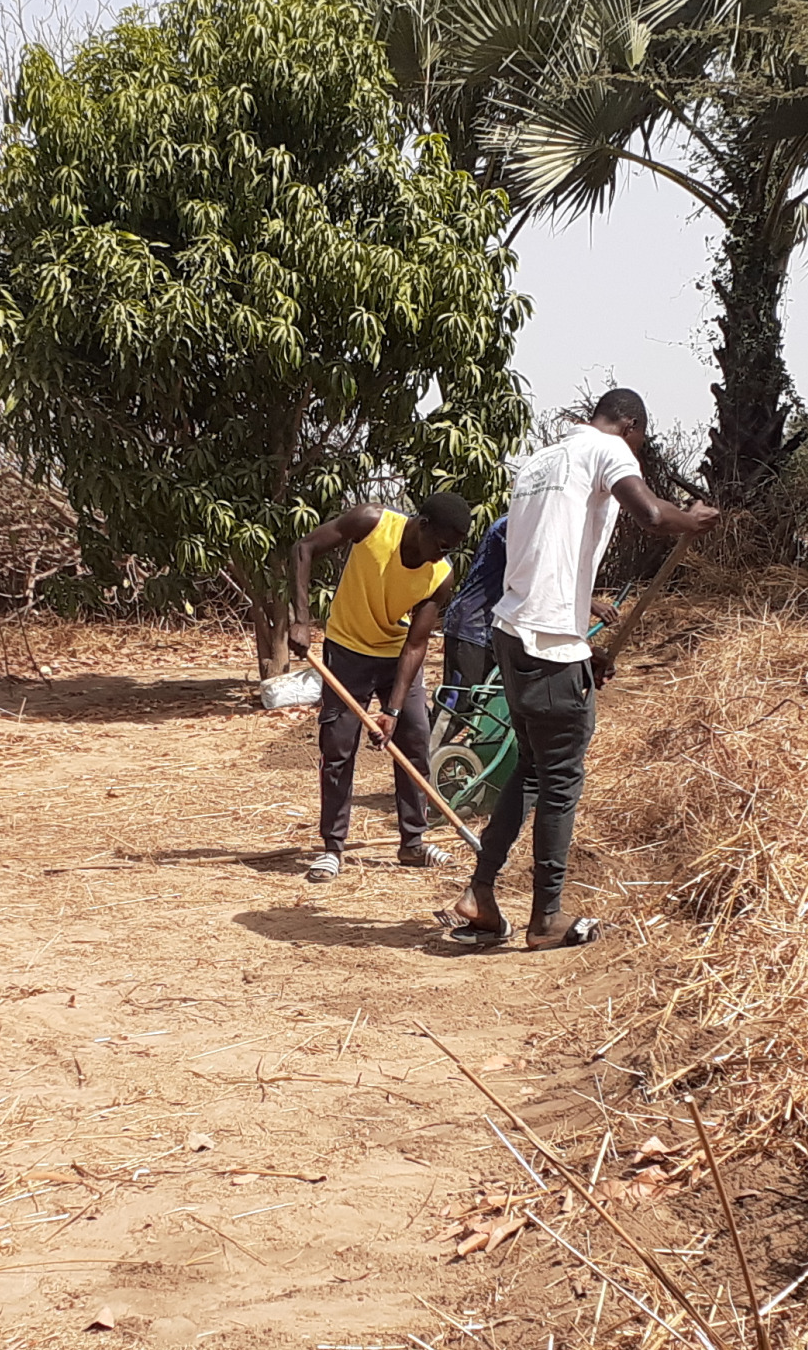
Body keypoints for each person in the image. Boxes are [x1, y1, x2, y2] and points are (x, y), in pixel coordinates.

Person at [443, 392, 718, 949]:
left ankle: (480, 893)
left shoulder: (541, 462)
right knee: (560, 782)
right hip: (545, 645)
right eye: (641, 440)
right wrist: (690, 519)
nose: (638, 450)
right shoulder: (607, 449)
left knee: (529, 771)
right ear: (631, 426)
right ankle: (546, 918)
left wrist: (580, 646)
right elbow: (649, 513)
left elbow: (548, 556)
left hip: (514, 632)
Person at [288, 490, 473, 884]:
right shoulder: (371, 523)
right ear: (422, 525)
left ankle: (413, 843)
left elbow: (416, 644)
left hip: (396, 657)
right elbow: (303, 549)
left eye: (451, 550)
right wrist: (300, 619)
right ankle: (332, 848)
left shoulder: (440, 575)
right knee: (338, 747)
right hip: (347, 651)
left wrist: (392, 710)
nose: (442, 556)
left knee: (415, 739)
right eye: (440, 545)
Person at [437, 513, 509, 696]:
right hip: (473, 626)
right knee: (456, 707)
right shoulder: (511, 525)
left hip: (497, 630)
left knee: (494, 707)